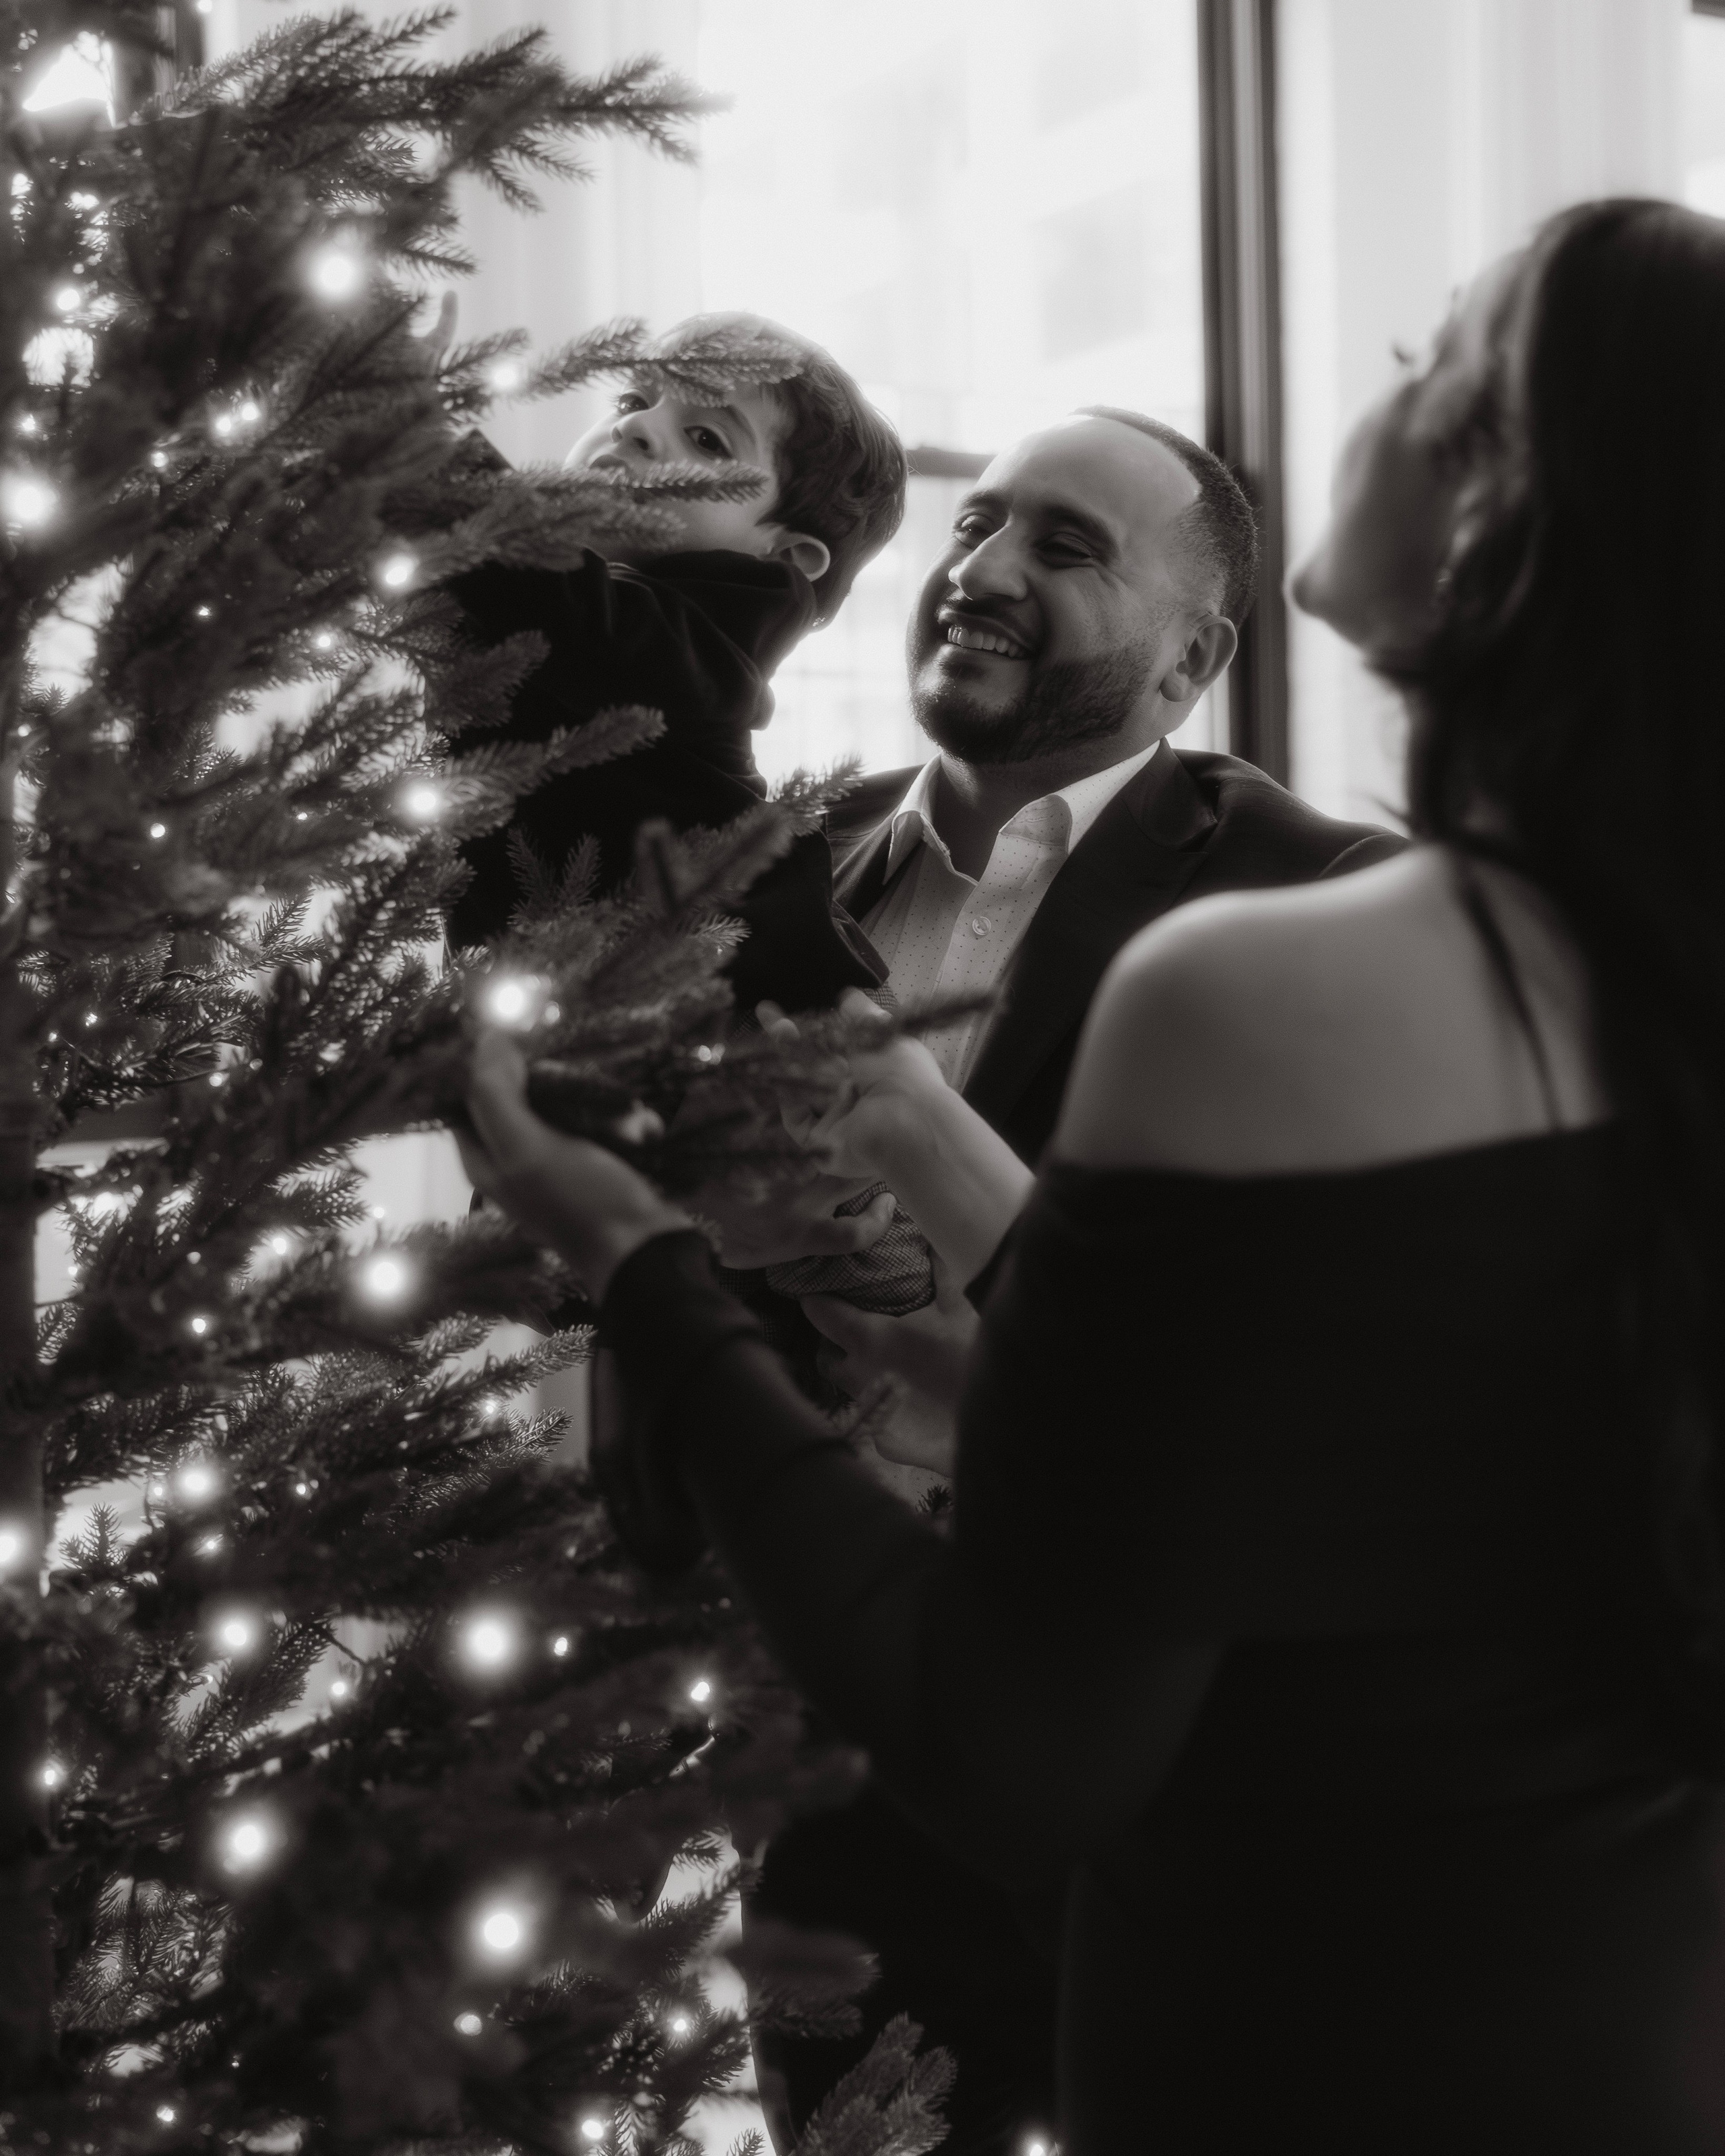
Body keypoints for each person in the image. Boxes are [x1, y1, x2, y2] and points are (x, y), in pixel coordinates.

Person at [461, 195, 1725, 2153]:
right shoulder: (1636, 989)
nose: (981, 563)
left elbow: (1024, 1699)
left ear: (1506, 512)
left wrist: (637, 1253)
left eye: (1429, 368)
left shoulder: (1274, 959)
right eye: (977, 522)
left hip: (1248, 1991)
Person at [704, 407, 1404, 2153]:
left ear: (1195, 658)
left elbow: (1293, 1399)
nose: (984, 571)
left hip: (1147, 1809)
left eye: (1068, 548)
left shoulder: (1322, 908)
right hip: (815, 1773)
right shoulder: (769, 876)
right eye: (980, 526)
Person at [445, 313, 904, 1019]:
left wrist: (430, 461)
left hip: (746, 983)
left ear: (781, 553)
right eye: (634, 401)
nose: (635, 428)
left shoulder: (726, 618)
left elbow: (577, 622)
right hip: (555, 971)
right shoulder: (545, 591)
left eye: (705, 437)